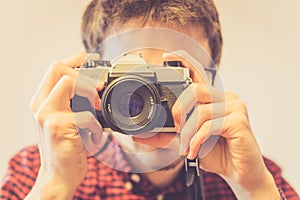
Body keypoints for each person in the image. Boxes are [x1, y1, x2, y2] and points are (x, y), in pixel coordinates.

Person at [1, 0, 299, 199]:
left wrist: (255, 190)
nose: (149, 105)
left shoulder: (255, 174)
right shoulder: (35, 171)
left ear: (209, 80)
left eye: (173, 76)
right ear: (92, 78)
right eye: (132, 79)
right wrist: (54, 185)